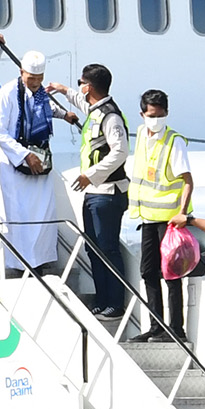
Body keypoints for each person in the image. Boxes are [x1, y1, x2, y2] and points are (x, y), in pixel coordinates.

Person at [125, 89, 201, 336]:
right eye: (151, 115)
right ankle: (155, 326)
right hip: (148, 218)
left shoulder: (173, 141)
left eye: (160, 115)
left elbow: (188, 181)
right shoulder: (140, 136)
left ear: (167, 114)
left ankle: (176, 329)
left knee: (172, 274)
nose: (155, 120)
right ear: (142, 114)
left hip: (169, 222)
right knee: (148, 272)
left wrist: (182, 214)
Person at [0, 52, 74, 275]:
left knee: (42, 211)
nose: (36, 83)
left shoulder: (40, 93)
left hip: (39, 159)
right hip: (14, 162)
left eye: (39, 78)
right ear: (21, 73)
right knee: (18, 213)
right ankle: (19, 262)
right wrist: (24, 155)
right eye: (32, 78)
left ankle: (39, 259)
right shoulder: (8, 93)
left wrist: (64, 115)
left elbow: (45, 108)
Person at [68, 64, 133, 318]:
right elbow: (83, 105)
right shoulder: (96, 110)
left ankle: (115, 304)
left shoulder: (111, 117)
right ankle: (102, 298)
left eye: (80, 83)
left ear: (90, 87)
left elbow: (120, 151)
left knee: (107, 248)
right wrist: (62, 90)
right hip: (94, 193)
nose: (79, 87)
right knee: (92, 248)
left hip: (108, 192)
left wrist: (90, 175)